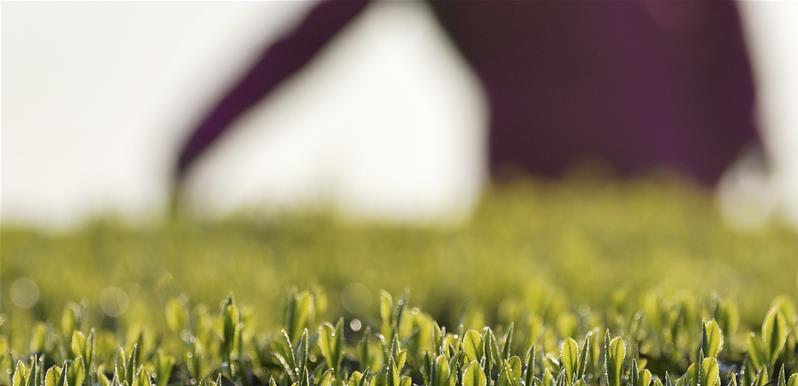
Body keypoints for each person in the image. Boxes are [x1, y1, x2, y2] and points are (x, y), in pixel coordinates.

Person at [173, 0, 760, 205]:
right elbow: (305, 40)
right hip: (535, 175)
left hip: (664, 154)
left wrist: (743, 117)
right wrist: (198, 140)